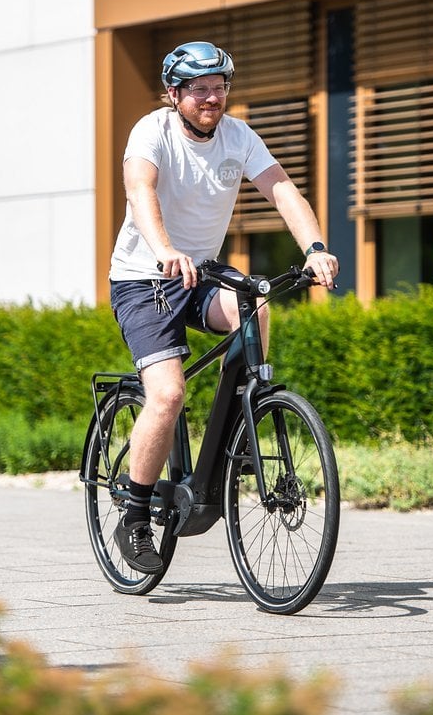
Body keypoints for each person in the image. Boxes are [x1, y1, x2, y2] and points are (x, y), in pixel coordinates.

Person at [108, 40, 339, 574]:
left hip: (201, 272)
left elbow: (281, 190)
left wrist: (316, 248)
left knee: (256, 306)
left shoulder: (237, 136)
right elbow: (141, 191)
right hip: (146, 277)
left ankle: (239, 427)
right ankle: (136, 514)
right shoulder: (152, 132)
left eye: (220, 87)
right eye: (199, 89)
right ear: (175, 94)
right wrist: (165, 250)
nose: (213, 98)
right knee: (167, 394)